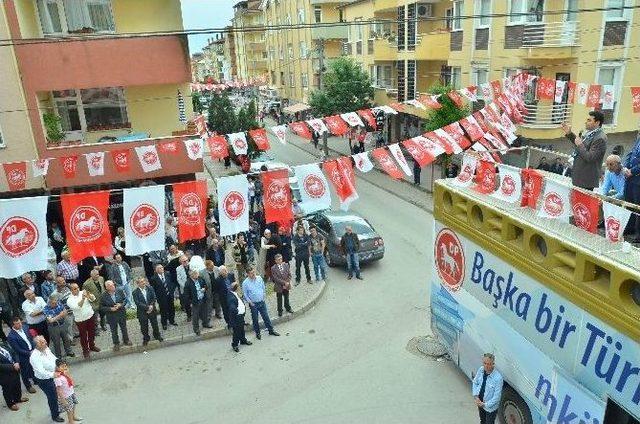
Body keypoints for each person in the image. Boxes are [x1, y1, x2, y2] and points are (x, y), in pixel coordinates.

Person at [561, 111, 607, 190]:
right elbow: (580, 144)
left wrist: (580, 145)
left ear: (597, 123)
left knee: (581, 202)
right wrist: (569, 133)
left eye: (589, 120)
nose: (586, 122)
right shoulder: (590, 133)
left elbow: (590, 157)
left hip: (586, 180)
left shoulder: (600, 138)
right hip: (579, 177)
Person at [30, 336, 64, 422]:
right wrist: (53, 374)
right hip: (44, 380)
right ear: (36, 346)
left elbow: (53, 357)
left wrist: (59, 363)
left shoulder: (46, 348)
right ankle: (55, 415)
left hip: (53, 373)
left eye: (44, 341)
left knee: (58, 392)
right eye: (42, 342)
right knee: (52, 396)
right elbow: (41, 372)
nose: (45, 343)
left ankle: (55, 408)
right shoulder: (34, 357)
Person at [242, 267, 280, 339]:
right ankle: (258, 333)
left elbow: (263, 287)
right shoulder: (245, 283)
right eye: (251, 273)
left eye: (254, 272)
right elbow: (245, 295)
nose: (253, 274)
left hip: (262, 302)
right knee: (255, 319)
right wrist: (250, 302)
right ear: (247, 274)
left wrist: (263, 295)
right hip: (253, 304)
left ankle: (271, 330)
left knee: (266, 316)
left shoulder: (259, 278)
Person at [66, 283, 99, 359]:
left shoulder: (83, 292)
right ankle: (85, 351)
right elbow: (77, 307)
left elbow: (93, 299)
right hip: (80, 320)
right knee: (83, 336)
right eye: (75, 289)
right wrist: (83, 299)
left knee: (92, 332)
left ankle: (92, 346)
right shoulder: (69, 300)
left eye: (77, 287)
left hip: (90, 316)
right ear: (71, 290)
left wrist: (89, 295)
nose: (77, 289)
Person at [7, 317, 36, 394]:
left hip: (32, 351)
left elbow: (30, 339)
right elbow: (17, 349)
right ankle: (28, 386)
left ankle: (35, 380)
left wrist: (33, 348)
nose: (20, 324)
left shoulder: (25, 327)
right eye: (17, 324)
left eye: (20, 322)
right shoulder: (11, 336)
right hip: (23, 356)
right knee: (25, 372)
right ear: (13, 325)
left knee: (33, 367)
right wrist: (29, 353)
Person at [100, 280, 131, 351]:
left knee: (124, 328)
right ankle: (116, 343)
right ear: (107, 288)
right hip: (111, 316)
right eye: (111, 286)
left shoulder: (119, 291)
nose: (113, 286)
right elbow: (101, 307)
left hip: (121, 313)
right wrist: (110, 309)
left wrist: (121, 305)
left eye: (113, 285)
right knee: (114, 331)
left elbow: (125, 300)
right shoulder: (103, 296)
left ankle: (126, 340)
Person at [471, 353, 503, 424]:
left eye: (489, 364)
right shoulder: (481, 369)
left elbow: (497, 397)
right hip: (480, 402)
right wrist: (476, 396)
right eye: (484, 363)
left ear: (493, 364)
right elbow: (475, 382)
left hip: (490, 408)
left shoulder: (498, 378)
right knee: (482, 421)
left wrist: (485, 404)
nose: (486, 366)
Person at [132, 277, 163, 346]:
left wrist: (151, 306)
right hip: (142, 312)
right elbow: (138, 303)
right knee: (144, 326)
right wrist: (147, 307)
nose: (144, 283)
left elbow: (154, 297)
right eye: (141, 282)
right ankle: (146, 338)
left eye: (144, 281)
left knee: (155, 324)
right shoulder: (135, 292)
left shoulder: (150, 288)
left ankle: (157, 335)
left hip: (152, 309)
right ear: (138, 284)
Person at [43, 294, 74, 359]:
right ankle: (59, 356)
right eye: (54, 303)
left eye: (56, 302)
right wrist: (60, 315)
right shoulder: (46, 309)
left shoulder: (59, 304)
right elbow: (51, 320)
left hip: (63, 324)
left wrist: (57, 317)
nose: (56, 304)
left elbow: (65, 313)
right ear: (50, 302)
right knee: (56, 342)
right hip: (53, 327)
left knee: (66, 339)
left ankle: (69, 352)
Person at [0, 340, 27, 411]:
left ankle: (18, 398)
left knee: (17, 384)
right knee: (7, 389)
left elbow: (14, 353)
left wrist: (17, 362)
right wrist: (13, 366)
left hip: (15, 369)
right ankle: (10, 404)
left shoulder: (3, 345)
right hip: (4, 374)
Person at [149, 264, 177, 330]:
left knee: (171, 309)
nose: (161, 269)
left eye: (162, 267)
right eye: (159, 268)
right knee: (163, 311)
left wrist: (172, 292)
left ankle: (172, 321)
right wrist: (156, 298)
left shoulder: (168, 274)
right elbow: (154, 289)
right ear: (156, 270)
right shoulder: (153, 278)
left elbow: (172, 283)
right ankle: (164, 324)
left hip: (169, 295)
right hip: (161, 298)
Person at [623, 134, 640, 242]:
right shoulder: (638, 138)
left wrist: (632, 171)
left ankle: (638, 234)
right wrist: (626, 167)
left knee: (638, 207)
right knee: (629, 203)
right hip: (630, 179)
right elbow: (630, 153)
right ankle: (630, 228)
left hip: (638, 179)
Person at [184, 270, 211, 336]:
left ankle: (205, 323)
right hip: (195, 302)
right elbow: (186, 295)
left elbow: (206, 285)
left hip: (203, 299)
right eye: (196, 274)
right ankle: (196, 329)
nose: (197, 275)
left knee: (205, 312)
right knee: (195, 316)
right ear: (191, 275)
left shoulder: (200, 279)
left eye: (197, 274)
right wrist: (190, 303)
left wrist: (204, 288)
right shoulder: (188, 283)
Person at [54, 359, 81, 423]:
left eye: (65, 366)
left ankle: (73, 417)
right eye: (62, 366)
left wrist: (68, 374)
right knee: (69, 410)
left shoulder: (64, 374)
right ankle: (71, 422)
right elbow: (58, 390)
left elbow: (72, 382)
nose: (64, 368)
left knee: (73, 405)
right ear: (57, 367)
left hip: (71, 393)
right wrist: (63, 400)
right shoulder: (58, 378)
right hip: (66, 396)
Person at [227, 282, 252, 352]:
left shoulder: (234, 293)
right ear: (236, 288)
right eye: (238, 287)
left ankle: (243, 340)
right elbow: (232, 308)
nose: (239, 288)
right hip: (236, 317)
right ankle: (234, 344)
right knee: (237, 331)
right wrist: (238, 311)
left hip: (240, 316)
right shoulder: (231, 297)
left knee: (241, 329)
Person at [175, 255, 193, 321]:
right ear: (181, 262)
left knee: (195, 301)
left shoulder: (192, 265)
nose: (186, 262)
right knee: (187, 303)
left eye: (186, 260)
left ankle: (197, 313)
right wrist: (186, 287)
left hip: (193, 286)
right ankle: (189, 315)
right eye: (184, 261)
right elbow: (179, 280)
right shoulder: (178, 269)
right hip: (185, 288)